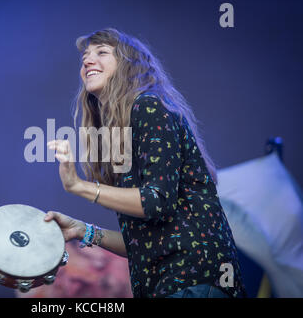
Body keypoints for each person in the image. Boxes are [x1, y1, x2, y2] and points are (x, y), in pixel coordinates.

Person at [44, 28, 246, 298]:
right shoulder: (124, 135)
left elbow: (156, 202)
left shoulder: (149, 106)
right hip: (173, 284)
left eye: (101, 52)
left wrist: (78, 186)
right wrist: (84, 231)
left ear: (129, 66)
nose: (87, 61)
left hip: (193, 281)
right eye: (84, 57)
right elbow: (144, 245)